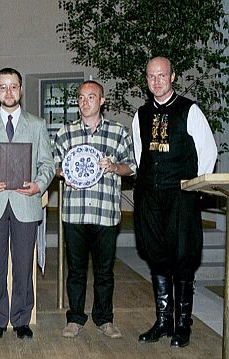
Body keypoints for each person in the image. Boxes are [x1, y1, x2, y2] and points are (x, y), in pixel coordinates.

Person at [132, 57, 217, 348]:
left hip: (181, 198)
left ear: (173, 76)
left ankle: (182, 325)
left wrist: (194, 190)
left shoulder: (189, 110)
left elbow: (208, 152)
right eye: (151, 76)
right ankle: (163, 321)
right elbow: (139, 156)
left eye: (162, 75)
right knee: (156, 258)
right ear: (147, 79)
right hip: (150, 199)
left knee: (182, 258)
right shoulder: (140, 114)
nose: (157, 81)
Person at [0, 68, 54, 340]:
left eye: (13, 86)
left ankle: (21, 319)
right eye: (3, 87)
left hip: (26, 203)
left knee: (23, 265)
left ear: (20, 90)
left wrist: (39, 184)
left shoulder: (37, 124)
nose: (8, 92)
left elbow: (47, 163)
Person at [54, 80, 136, 339]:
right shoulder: (65, 133)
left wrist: (113, 167)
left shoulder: (118, 132)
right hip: (74, 213)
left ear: (102, 100)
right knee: (75, 270)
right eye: (81, 97)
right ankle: (75, 318)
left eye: (91, 97)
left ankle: (105, 319)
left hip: (105, 213)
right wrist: (63, 173)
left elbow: (132, 166)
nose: (85, 101)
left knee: (104, 272)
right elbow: (54, 167)